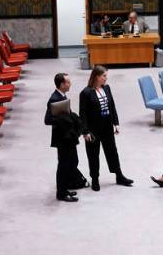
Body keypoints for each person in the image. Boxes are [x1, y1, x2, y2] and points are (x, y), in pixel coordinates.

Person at [79, 65, 133, 190]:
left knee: (112, 152)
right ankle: (95, 179)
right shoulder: (86, 93)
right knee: (93, 154)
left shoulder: (106, 88)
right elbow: (83, 114)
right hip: (93, 129)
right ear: (97, 76)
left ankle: (119, 175)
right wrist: (85, 131)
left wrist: (116, 123)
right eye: (104, 76)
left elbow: (112, 106)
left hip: (107, 126)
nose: (106, 78)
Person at [45, 73, 84, 203]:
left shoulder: (62, 96)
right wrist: (61, 119)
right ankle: (61, 193)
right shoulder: (54, 99)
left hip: (69, 136)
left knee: (72, 162)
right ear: (61, 84)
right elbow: (48, 120)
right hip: (62, 138)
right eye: (68, 82)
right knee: (63, 165)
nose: (70, 84)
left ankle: (66, 186)